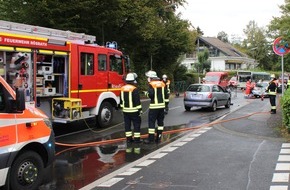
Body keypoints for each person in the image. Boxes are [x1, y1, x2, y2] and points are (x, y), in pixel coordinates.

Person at [144, 70, 169, 144]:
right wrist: (166, 106)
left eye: (148, 77)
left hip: (154, 107)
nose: (147, 79)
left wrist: (146, 93)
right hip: (161, 107)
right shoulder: (162, 83)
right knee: (160, 123)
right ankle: (158, 137)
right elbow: (166, 95)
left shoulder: (151, 84)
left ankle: (150, 139)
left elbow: (151, 95)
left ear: (151, 78)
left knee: (151, 123)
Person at [120, 73, 142, 144]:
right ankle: (137, 140)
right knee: (136, 125)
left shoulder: (122, 88)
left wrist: (122, 108)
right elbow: (137, 101)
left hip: (125, 111)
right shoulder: (134, 89)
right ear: (133, 81)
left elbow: (121, 100)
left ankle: (129, 140)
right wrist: (140, 110)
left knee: (127, 125)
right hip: (134, 111)